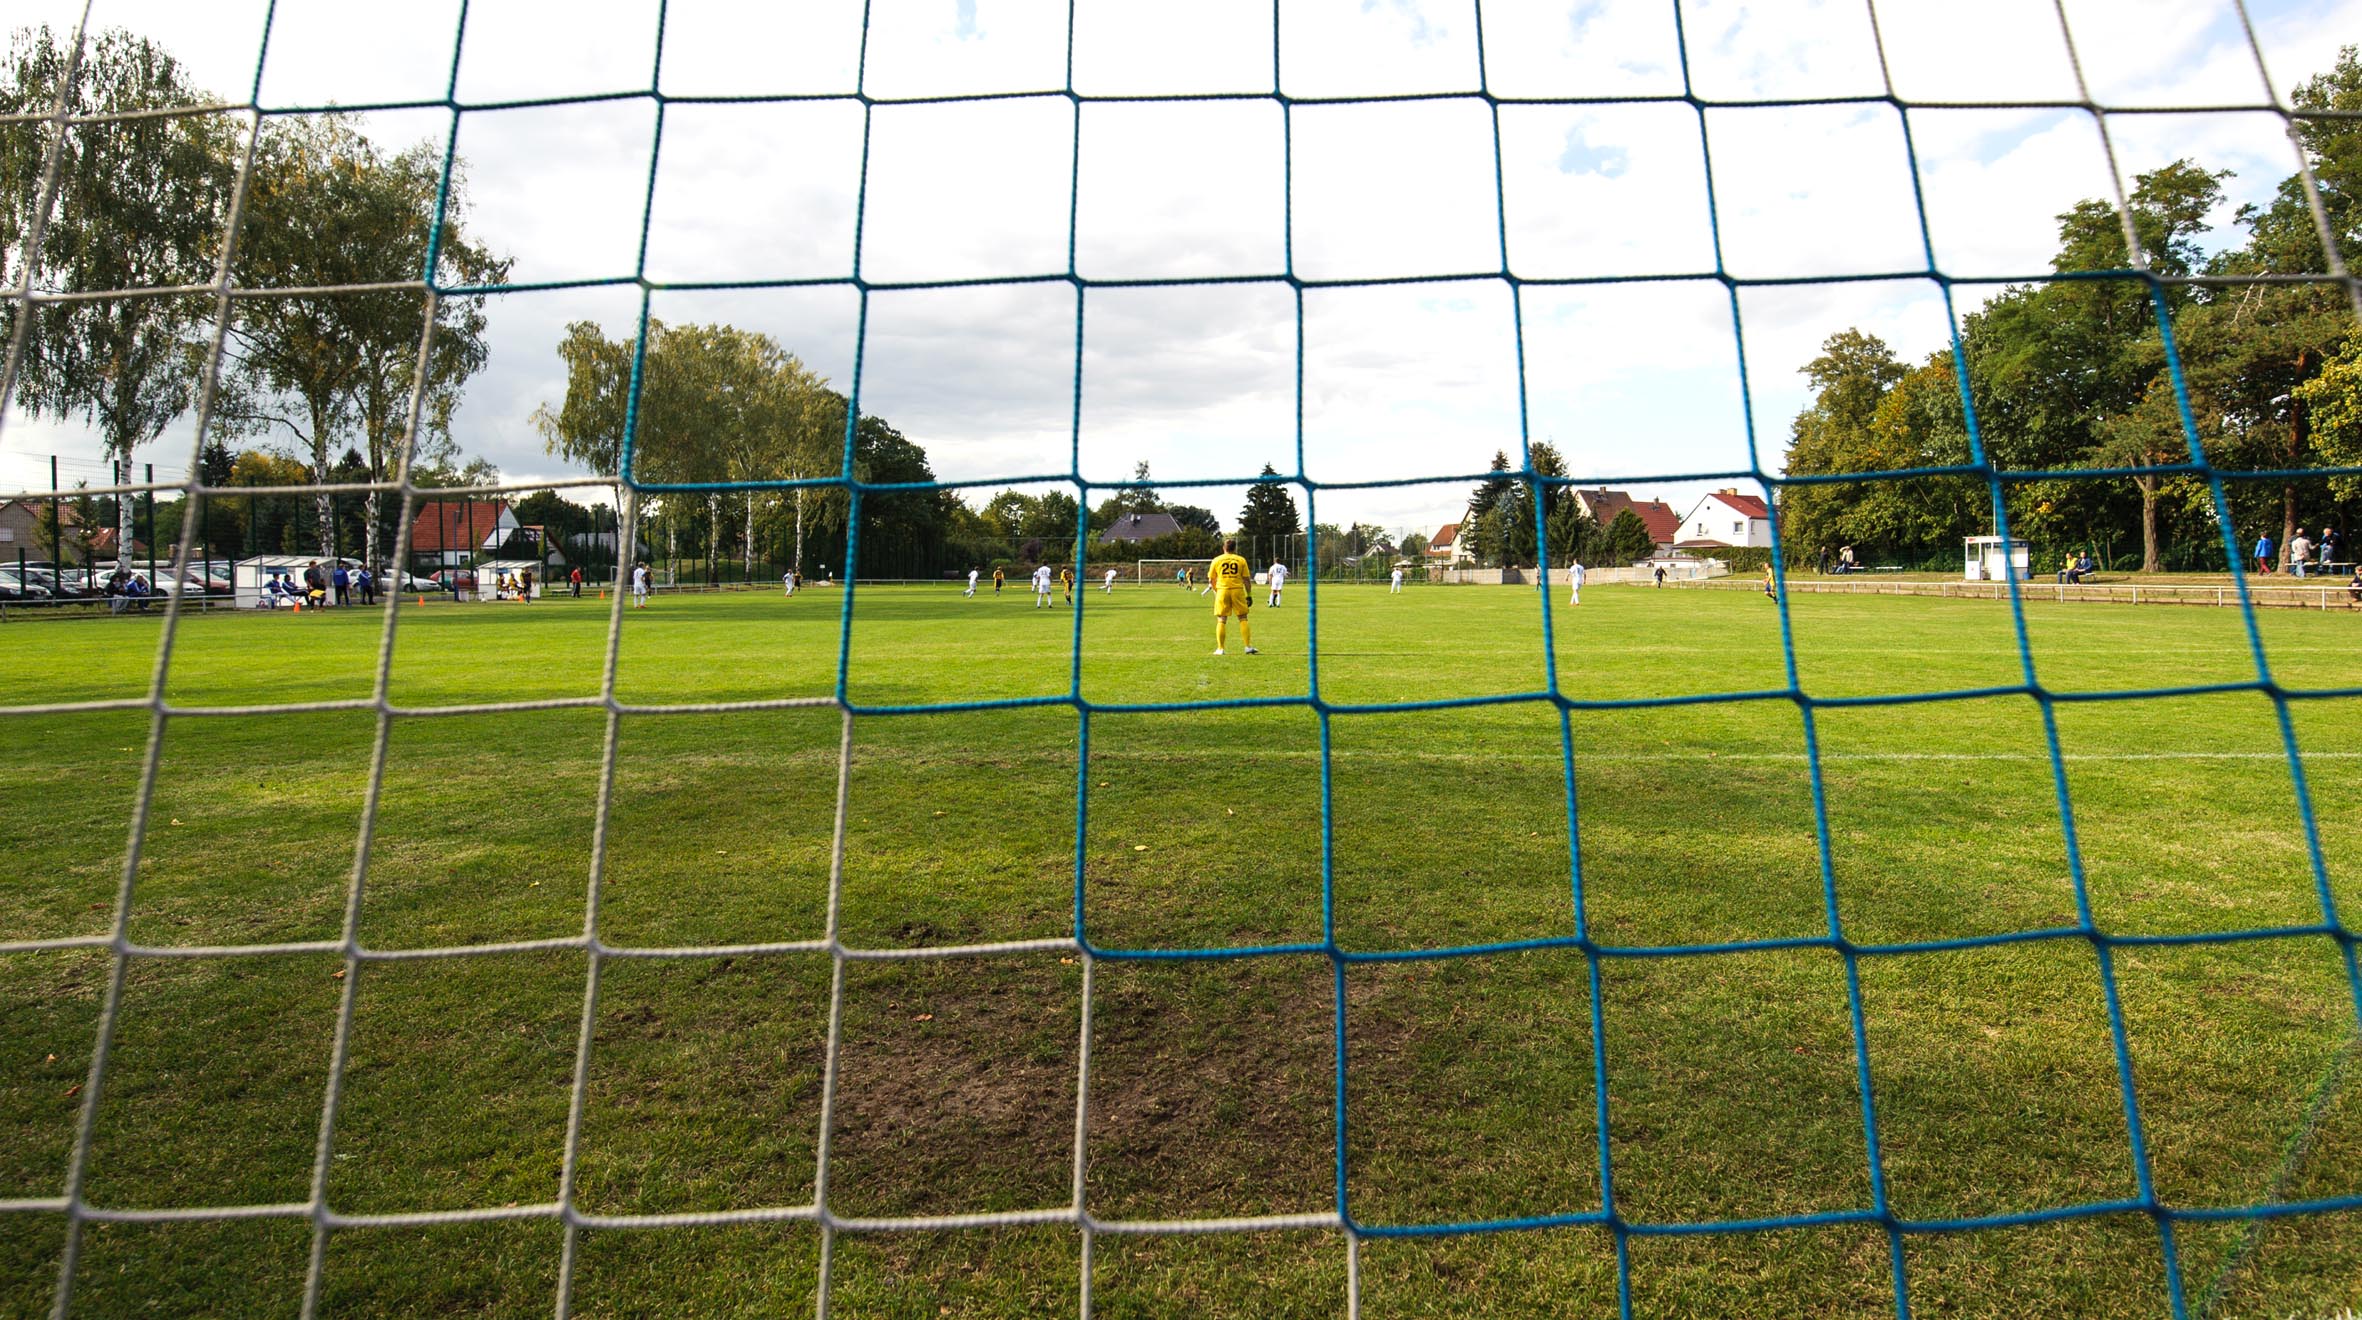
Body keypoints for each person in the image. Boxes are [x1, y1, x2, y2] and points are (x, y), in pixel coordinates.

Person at [1208, 538, 1255, 655]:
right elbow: (1246, 580)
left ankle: (1220, 648)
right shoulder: (1241, 560)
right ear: (1235, 549)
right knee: (1243, 618)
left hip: (1222, 591)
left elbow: (1211, 579)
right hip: (1237, 591)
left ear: (1224, 548)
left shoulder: (1216, 560)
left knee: (1221, 619)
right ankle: (1247, 647)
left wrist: (1216, 591)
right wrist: (1249, 595)